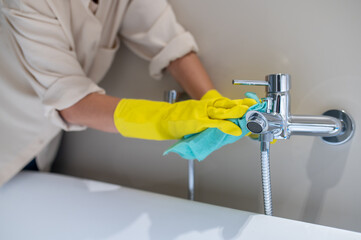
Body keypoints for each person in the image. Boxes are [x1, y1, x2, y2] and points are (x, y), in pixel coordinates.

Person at [0, 0, 252, 186]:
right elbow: (71, 102)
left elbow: (169, 42)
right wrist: (166, 119)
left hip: (42, 145)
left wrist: (211, 99)